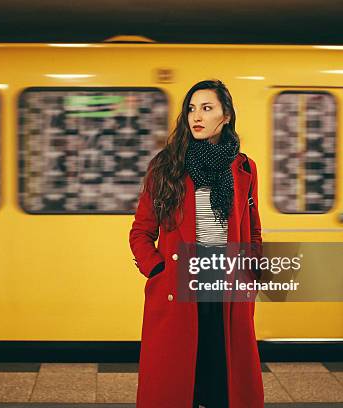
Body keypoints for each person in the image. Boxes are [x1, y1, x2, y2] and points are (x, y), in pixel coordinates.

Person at [129, 80, 264, 408]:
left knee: (224, 389)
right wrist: (158, 269)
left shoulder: (244, 168)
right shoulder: (165, 166)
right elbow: (141, 232)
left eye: (207, 108)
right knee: (177, 387)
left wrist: (251, 272)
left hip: (226, 292)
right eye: (191, 108)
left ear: (226, 115)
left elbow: (254, 231)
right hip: (178, 290)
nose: (196, 117)